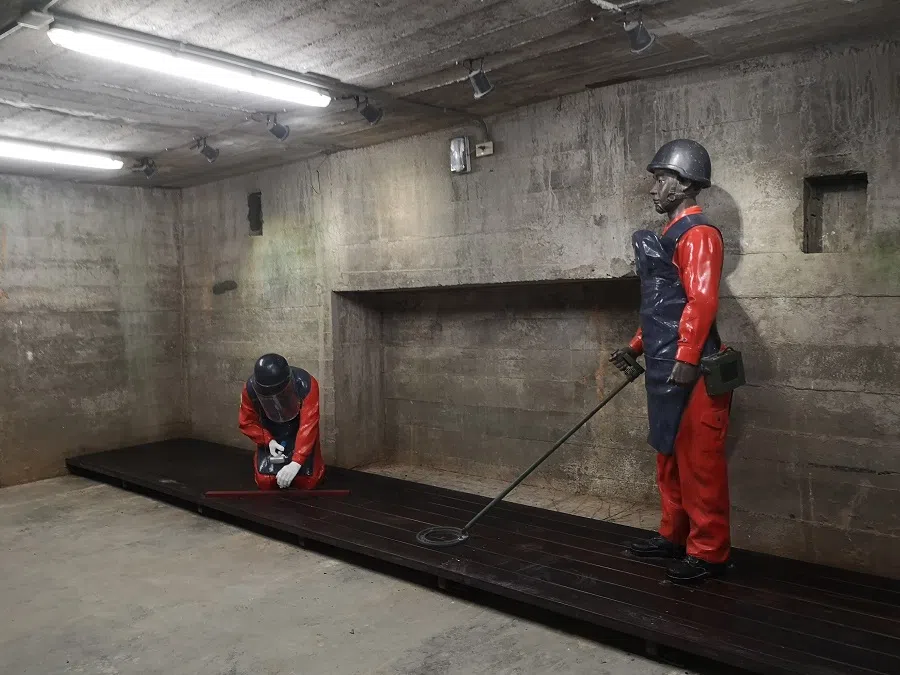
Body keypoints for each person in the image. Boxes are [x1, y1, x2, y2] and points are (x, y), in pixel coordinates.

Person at [610, 139, 733, 583]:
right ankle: (674, 536)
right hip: (669, 363)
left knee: (699, 461)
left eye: (661, 179)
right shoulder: (667, 237)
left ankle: (710, 552)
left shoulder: (699, 235)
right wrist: (636, 346)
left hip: (695, 369)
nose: (653, 189)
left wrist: (686, 358)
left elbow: (701, 302)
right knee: (668, 455)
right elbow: (663, 306)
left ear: (683, 185)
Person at [238, 353, 325, 490]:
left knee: (308, 480)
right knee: (265, 481)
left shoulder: (307, 384)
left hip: (300, 430)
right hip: (271, 429)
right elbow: (246, 422)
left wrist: (296, 462)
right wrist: (267, 440)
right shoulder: (250, 390)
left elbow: (308, 425)